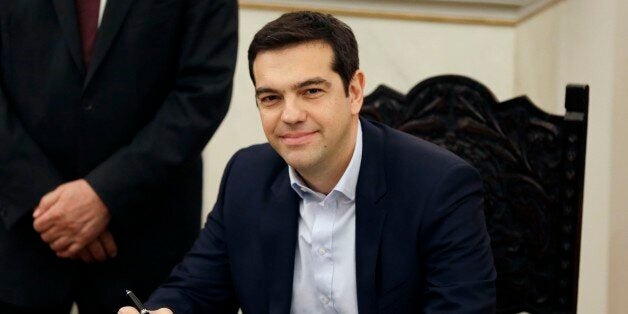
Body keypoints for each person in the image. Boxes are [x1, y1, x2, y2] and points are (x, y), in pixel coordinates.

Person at [120, 11, 496, 314]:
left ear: (354, 91)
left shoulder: (439, 186)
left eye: (311, 91)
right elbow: (197, 288)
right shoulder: (246, 176)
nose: (290, 115)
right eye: (270, 98)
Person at [0, 0, 237, 313]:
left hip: (145, 232)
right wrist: (51, 202)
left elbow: (203, 92)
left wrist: (105, 193)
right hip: (23, 228)